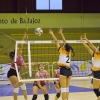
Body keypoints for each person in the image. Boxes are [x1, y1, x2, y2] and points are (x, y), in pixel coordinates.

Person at [49, 28, 75, 100]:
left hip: (63, 70)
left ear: (64, 47)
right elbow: (65, 42)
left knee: (63, 89)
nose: (63, 45)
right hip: (69, 71)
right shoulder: (69, 52)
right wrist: (61, 33)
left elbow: (56, 41)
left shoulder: (62, 50)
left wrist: (52, 34)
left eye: (64, 46)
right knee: (67, 89)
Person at [7, 32, 29, 100]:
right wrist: (23, 37)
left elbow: (25, 67)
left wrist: (30, 66)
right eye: (18, 49)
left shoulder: (21, 58)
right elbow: (21, 45)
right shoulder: (15, 56)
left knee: (23, 86)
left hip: (17, 73)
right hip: (11, 73)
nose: (20, 49)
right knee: (16, 88)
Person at [80, 33, 100, 100]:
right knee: (97, 89)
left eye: (97, 48)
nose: (96, 48)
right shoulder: (96, 53)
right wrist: (86, 39)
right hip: (96, 73)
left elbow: (89, 47)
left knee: (96, 90)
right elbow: (91, 46)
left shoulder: (95, 55)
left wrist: (83, 41)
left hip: (97, 73)